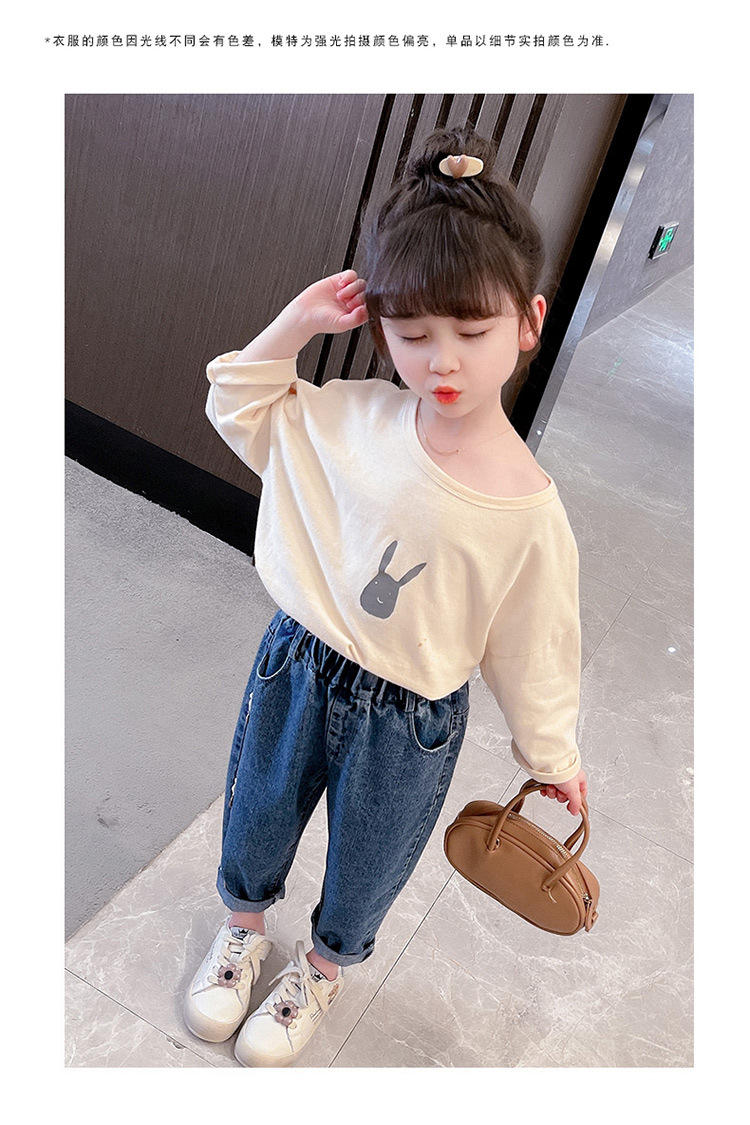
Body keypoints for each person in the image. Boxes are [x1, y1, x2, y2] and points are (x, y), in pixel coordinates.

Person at [183, 125, 588, 1067]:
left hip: (411, 719)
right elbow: (237, 402)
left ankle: (320, 970)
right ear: (377, 328)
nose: (442, 361)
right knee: (256, 813)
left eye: (472, 334)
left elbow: (536, 647)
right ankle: (243, 930)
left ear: (528, 323)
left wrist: (554, 754)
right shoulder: (351, 418)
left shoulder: (529, 511)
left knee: (368, 862)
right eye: (411, 334)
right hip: (299, 663)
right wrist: (296, 322)